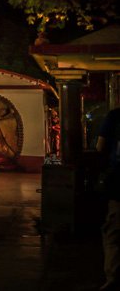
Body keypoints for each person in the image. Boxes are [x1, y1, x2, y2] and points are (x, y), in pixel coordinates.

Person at [97, 107, 120, 290]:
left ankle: (114, 278)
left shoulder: (115, 116)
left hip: (118, 183)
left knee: (114, 233)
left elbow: (100, 147)